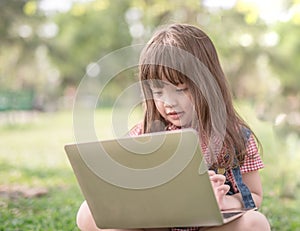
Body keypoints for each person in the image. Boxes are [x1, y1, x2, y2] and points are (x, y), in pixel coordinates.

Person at [76, 23, 270, 231]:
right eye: (158, 92)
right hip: (157, 226)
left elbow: (255, 195)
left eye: (180, 90)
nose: (169, 102)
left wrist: (225, 202)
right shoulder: (143, 134)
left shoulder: (235, 137)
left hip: (209, 226)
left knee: (255, 224)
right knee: (88, 213)